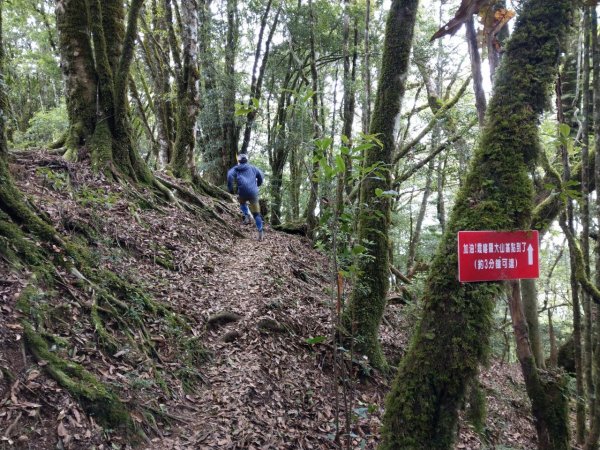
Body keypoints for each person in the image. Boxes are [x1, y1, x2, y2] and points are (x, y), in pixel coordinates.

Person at [227, 153, 265, 241]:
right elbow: (261, 176)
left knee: (242, 203)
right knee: (256, 214)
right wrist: (258, 184)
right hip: (253, 193)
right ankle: (260, 233)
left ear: (239, 161)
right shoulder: (253, 168)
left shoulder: (236, 168)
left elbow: (229, 175)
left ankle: (247, 215)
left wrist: (231, 190)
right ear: (247, 160)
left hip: (242, 192)